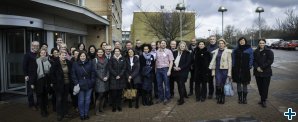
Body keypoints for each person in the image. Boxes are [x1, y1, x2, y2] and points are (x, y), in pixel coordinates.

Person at [72, 52, 96, 120]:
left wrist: (92, 81)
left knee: (88, 100)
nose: (83, 57)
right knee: (81, 101)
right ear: (79, 57)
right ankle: (82, 114)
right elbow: (73, 75)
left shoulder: (90, 63)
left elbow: (93, 73)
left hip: (89, 84)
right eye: (81, 56)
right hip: (80, 85)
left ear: (86, 56)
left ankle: (86, 114)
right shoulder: (75, 64)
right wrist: (77, 83)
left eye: (84, 56)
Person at [50, 51, 72, 121]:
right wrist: (54, 83)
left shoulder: (69, 62)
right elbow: (52, 74)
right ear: (59, 55)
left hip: (67, 84)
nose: (64, 56)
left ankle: (65, 113)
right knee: (59, 100)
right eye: (62, 55)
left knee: (65, 99)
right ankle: (59, 114)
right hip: (59, 85)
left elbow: (70, 73)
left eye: (65, 55)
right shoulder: (55, 63)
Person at [209, 39, 232, 104]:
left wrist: (229, 73)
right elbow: (213, 62)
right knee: (218, 84)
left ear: (224, 44)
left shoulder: (228, 52)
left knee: (223, 84)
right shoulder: (215, 51)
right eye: (220, 43)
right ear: (218, 44)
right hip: (217, 70)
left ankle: (223, 97)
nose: (221, 44)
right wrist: (213, 71)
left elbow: (230, 62)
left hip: (225, 70)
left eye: (222, 43)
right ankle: (219, 97)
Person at [232, 37, 253, 104]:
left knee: (245, 84)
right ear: (239, 42)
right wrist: (233, 66)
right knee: (238, 84)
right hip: (237, 69)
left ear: (245, 41)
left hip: (245, 69)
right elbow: (233, 59)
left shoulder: (249, 49)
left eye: (243, 40)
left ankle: (244, 98)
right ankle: (239, 98)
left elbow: (251, 58)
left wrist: (249, 65)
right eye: (240, 40)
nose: (242, 42)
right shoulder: (236, 49)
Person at [253, 39, 274, 108]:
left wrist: (261, 67)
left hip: (266, 72)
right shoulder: (255, 51)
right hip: (257, 72)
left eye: (263, 43)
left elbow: (270, 61)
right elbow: (254, 60)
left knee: (265, 87)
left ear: (265, 43)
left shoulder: (269, 51)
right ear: (258, 44)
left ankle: (263, 100)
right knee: (260, 87)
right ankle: (262, 98)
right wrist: (257, 67)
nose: (261, 44)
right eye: (260, 43)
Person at [155, 40, 174, 105]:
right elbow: (156, 61)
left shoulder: (168, 51)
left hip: (166, 69)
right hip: (158, 70)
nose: (163, 44)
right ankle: (161, 97)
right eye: (162, 43)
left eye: (164, 43)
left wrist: (169, 70)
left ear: (166, 44)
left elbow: (171, 61)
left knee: (166, 84)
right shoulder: (157, 52)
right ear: (160, 44)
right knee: (159, 85)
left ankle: (167, 98)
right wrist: (155, 70)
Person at [23, 41, 39, 111]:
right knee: (30, 91)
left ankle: (39, 103)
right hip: (30, 76)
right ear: (32, 46)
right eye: (34, 45)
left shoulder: (39, 54)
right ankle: (31, 104)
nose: (36, 47)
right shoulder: (27, 54)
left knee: (38, 90)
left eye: (37, 46)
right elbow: (24, 65)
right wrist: (26, 75)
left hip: (38, 75)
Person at [35, 49, 51, 117]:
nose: (43, 54)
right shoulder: (37, 60)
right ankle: (42, 111)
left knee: (45, 96)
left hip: (46, 79)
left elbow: (50, 69)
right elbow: (35, 70)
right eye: (42, 53)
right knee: (41, 96)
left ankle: (45, 110)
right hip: (39, 80)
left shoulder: (47, 60)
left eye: (44, 53)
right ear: (40, 53)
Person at [93, 49, 109, 115]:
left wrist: (107, 77)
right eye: (99, 52)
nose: (100, 53)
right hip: (99, 80)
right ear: (97, 53)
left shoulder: (106, 59)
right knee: (100, 95)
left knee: (104, 95)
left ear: (103, 52)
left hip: (105, 79)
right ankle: (96, 111)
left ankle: (101, 108)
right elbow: (95, 70)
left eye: (101, 52)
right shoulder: (95, 60)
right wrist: (102, 78)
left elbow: (108, 69)